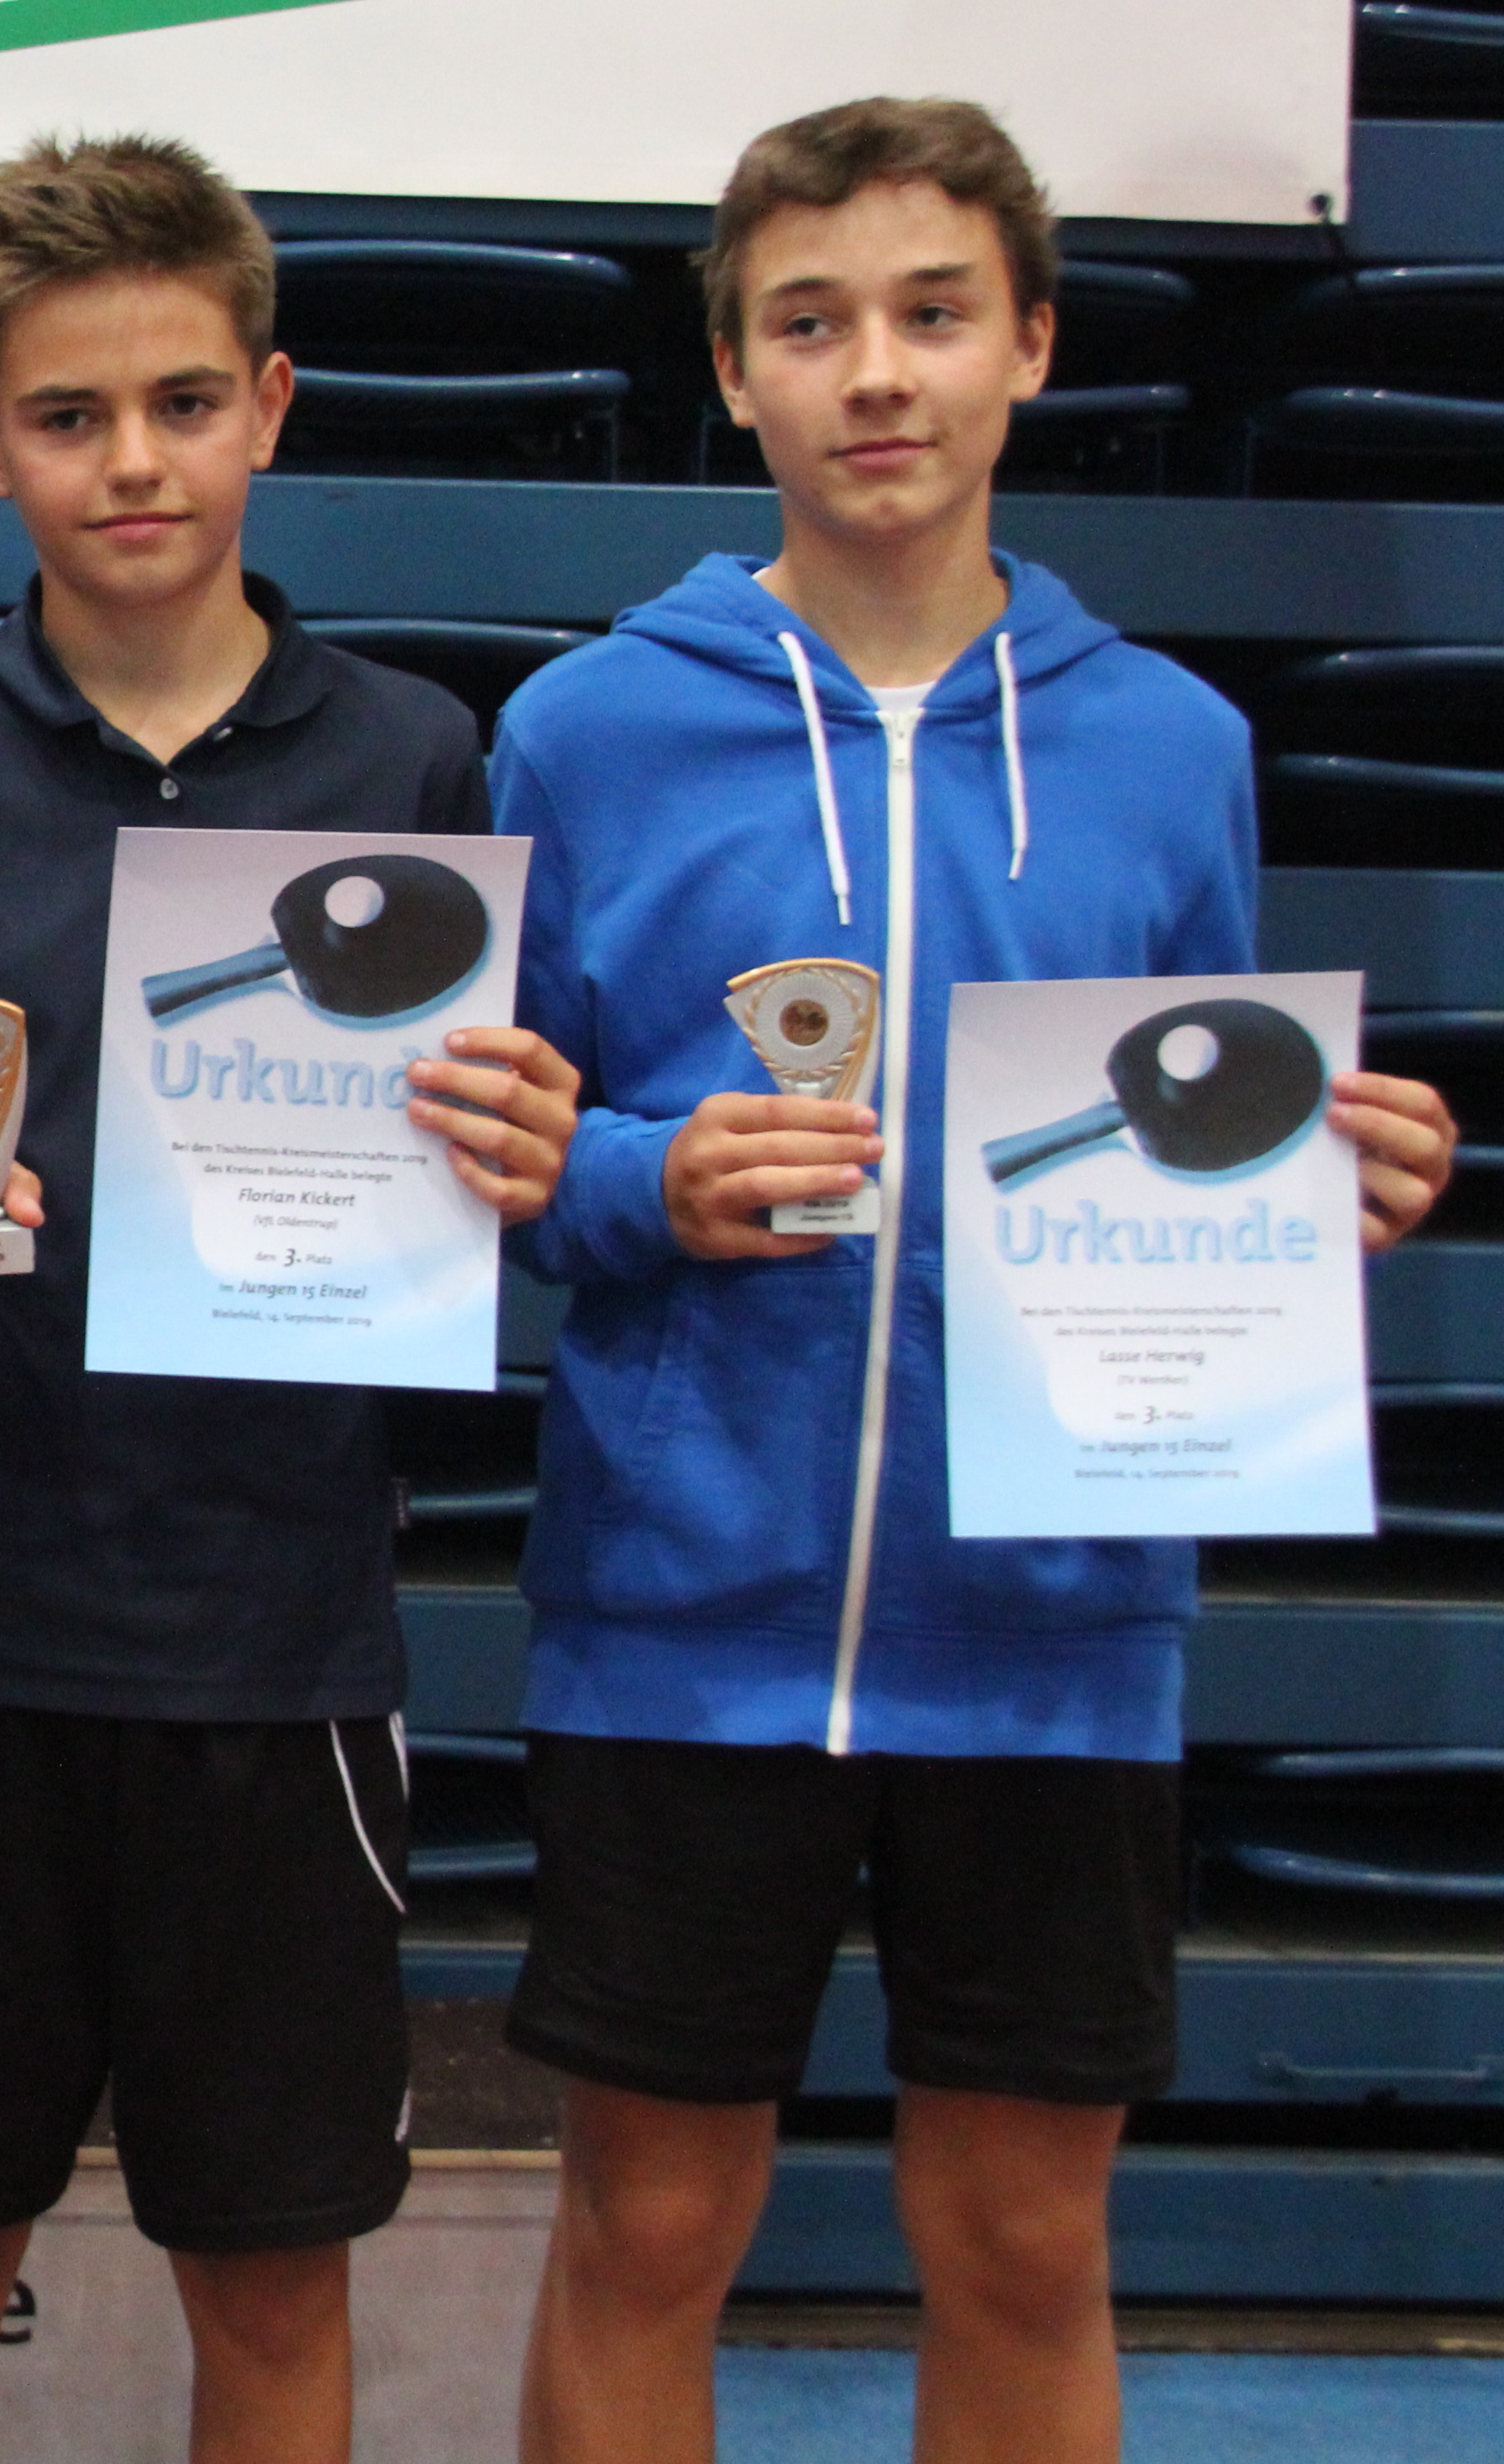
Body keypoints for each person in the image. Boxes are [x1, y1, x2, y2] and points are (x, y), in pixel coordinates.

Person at [494, 97, 1461, 2464]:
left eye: (934, 314)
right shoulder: (586, 731)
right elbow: (492, 1157)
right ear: (734, 371)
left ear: (1030, 343)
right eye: (811, 323)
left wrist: (1318, 1191)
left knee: (1026, 2237)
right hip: (681, 1615)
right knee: (646, 2224)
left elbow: (1197, 1127)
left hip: (1055, 1627)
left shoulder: (1173, 748)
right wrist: (639, 1178)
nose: (877, 374)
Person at [0, 134, 584, 2464]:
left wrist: (524, 1142)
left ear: (271, 406)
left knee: (275, 2278)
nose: (132, 459)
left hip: (280, 1642)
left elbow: (487, 1152)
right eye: (69, 413)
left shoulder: (415, 754)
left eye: (183, 401)